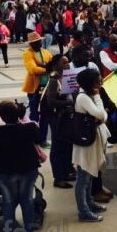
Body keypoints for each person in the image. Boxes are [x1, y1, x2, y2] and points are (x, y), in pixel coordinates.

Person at [0, 100, 40, 232]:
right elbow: (38, 140)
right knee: (27, 200)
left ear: (0, 116)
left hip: (6, 171)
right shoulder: (30, 128)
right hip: (28, 169)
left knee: (8, 202)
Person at [73, 69, 110, 222]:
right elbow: (101, 115)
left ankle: (89, 202)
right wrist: (97, 96)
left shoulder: (88, 96)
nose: (100, 81)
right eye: (97, 79)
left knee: (89, 174)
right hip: (85, 143)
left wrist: (100, 114)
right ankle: (84, 212)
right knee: (83, 178)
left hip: (92, 140)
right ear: (90, 83)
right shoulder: (84, 97)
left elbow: (103, 117)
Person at [43, 54, 76, 189]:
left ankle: (67, 171)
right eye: (64, 63)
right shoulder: (53, 80)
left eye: (68, 62)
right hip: (57, 118)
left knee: (67, 146)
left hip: (67, 117)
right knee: (57, 148)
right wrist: (69, 102)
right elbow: (51, 102)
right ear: (56, 65)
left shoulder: (67, 77)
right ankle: (59, 177)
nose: (67, 64)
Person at [21, 32, 52, 147]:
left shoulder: (45, 52)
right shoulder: (27, 54)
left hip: (47, 87)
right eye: (35, 42)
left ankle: (42, 139)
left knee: (45, 114)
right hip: (35, 88)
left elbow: (53, 63)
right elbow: (32, 69)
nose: (39, 43)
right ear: (31, 44)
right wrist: (48, 68)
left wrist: (47, 67)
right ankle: (33, 139)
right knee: (34, 114)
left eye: (39, 41)